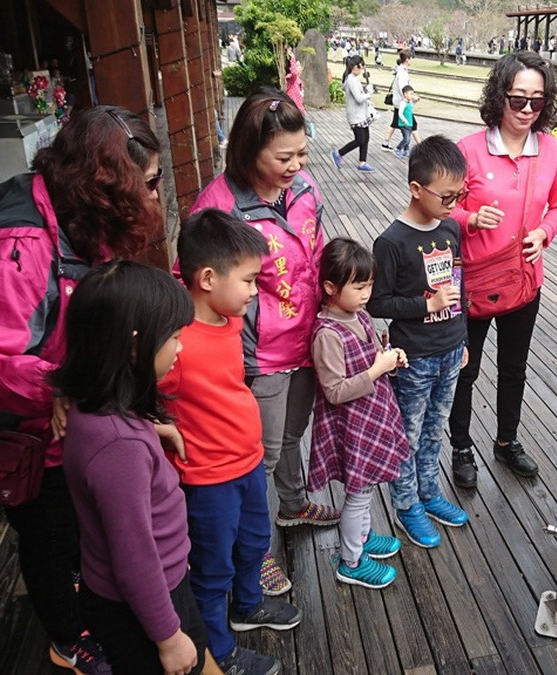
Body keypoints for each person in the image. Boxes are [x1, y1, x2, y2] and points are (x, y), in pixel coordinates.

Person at [0, 105, 166, 675]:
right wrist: (62, 385)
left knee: (81, 531)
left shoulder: (78, 217)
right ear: (108, 185)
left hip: (74, 422)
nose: (156, 196)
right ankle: (69, 636)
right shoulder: (20, 248)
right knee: (51, 536)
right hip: (33, 431)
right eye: (149, 184)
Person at [191, 90, 339, 597]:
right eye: (284, 157)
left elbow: (318, 254)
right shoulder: (219, 208)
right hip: (256, 357)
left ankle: (293, 505)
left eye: (302, 154)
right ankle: (253, 555)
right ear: (248, 150)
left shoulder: (304, 189)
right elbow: (193, 287)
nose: (297, 165)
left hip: (305, 343)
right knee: (259, 455)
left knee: (291, 437)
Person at [162, 210, 301, 673]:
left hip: (246, 465)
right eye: (247, 280)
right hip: (207, 480)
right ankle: (217, 651)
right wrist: (158, 426)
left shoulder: (231, 321)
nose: (253, 290)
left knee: (254, 541)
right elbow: (138, 391)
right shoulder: (176, 343)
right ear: (206, 278)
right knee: (211, 567)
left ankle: (247, 605)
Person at [54, 261, 207, 675]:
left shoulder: (91, 405)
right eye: (174, 337)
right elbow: (134, 557)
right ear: (136, 345)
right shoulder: (119, 448)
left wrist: (154, 429)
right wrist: (169, 638)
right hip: (141, 608)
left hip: (149, 585)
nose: (180, 348)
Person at [447, 52, 557, 488]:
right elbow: (443, 208)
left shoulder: (553, 150)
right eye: (517, 99)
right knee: (465, 366)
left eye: (536, 102)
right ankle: (461, 447)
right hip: (474, 282)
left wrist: (544, 233)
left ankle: (506, 441)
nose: (525, 110)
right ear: (498, 96)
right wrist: (469, 219)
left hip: (525, 281)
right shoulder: (468, 150)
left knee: (514, 367)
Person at [368, 135, 471, 547]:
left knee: (435, 428)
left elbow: (458, 286)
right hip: (414, 358)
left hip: (449, 349)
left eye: (459, 195)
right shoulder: (390, 242)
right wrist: (425, 306)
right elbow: (377, 302)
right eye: (446, 196)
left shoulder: (449, 229)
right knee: (407, 433)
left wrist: (461, 339)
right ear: (416, 188)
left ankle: (429, 492)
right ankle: (407, 503)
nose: (454, 205)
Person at [309, 237, 410, 587]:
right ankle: (350, 560)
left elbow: (374, 357)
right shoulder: (327, 334)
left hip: (371, 420)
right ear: (330, 288)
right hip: (352, 428)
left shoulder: (359, 316)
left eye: (369, 285)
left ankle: (363, 539)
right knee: (357, 494)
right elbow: (334, 391)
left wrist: (390, 358)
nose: (366, 294)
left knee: (364, 492)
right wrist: (377, 370)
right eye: (358, 286)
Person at [330, 55, 376, 172]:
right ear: (355, 67)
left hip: (361, 114)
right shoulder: (351, 80)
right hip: (356, 115)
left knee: (365, 138)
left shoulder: (353, 79)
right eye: (361, 67)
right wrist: (369, 93)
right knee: (360, 139)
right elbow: (359, 98)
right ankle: (339, 153)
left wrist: (366, 89)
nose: (361, 70)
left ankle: (362, 162)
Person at [381, 50, 416, 151]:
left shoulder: (400, 70)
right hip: (402, 102)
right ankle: (411, 146)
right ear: (407, 60)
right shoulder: (402, 72)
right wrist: (410, 97)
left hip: (399, 101)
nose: (411, 60)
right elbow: (403, 88)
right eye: (410, 58)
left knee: (395, 122)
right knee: (412, 125)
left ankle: (386, 142)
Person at [394, 85, 419, 159]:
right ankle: (398, 148)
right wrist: (404, 120)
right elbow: (400, 113)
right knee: (406, 138)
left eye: (413, 94)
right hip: (404, 124)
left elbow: (411, 107)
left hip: (409, 124)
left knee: (408, 138)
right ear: (405, 94)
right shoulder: (403, 103)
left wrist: (415, 102)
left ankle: (406, 150)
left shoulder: (408, 103)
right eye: (410, 94)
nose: (412, 96)